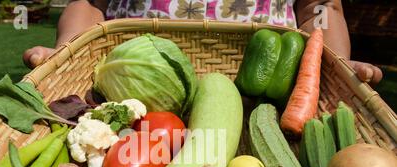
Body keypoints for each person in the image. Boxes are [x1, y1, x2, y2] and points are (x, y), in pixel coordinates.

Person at [23, 0, 382, 84]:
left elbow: (320, 6)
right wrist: (69, 49)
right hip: (129, 85)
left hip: (267, 88)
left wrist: (332, 56)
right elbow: (89, 3)